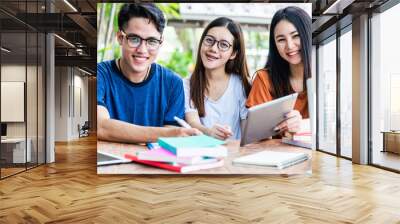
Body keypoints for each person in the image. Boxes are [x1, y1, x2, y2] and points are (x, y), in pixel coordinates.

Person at [97, 3, 200, 143]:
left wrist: (171, 134)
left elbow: (169, 138)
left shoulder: (172, 83)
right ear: (120, 38)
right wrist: (168, 134)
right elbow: (101, 126)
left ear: (160, 42)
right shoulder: (100, 75)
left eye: (152, 41)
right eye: (134, 39)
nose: (142, 50)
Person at [246, 6, 311, 137]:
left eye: (296, 36)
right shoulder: (264, 79)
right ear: (274, 45)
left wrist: (303, 124)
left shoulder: (326, 73)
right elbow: (255, 134)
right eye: (281, 40)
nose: (290, 46)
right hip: (276, 154)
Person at [184, 17, 251, 140]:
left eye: (223, 45)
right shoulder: (187, 84)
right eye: (209, 40)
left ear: (233, 53)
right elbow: (193, 123)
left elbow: (247, 129)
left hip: (235, 154)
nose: (213, 49)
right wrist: (208, 132)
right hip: (201, 154)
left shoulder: (241, 84)